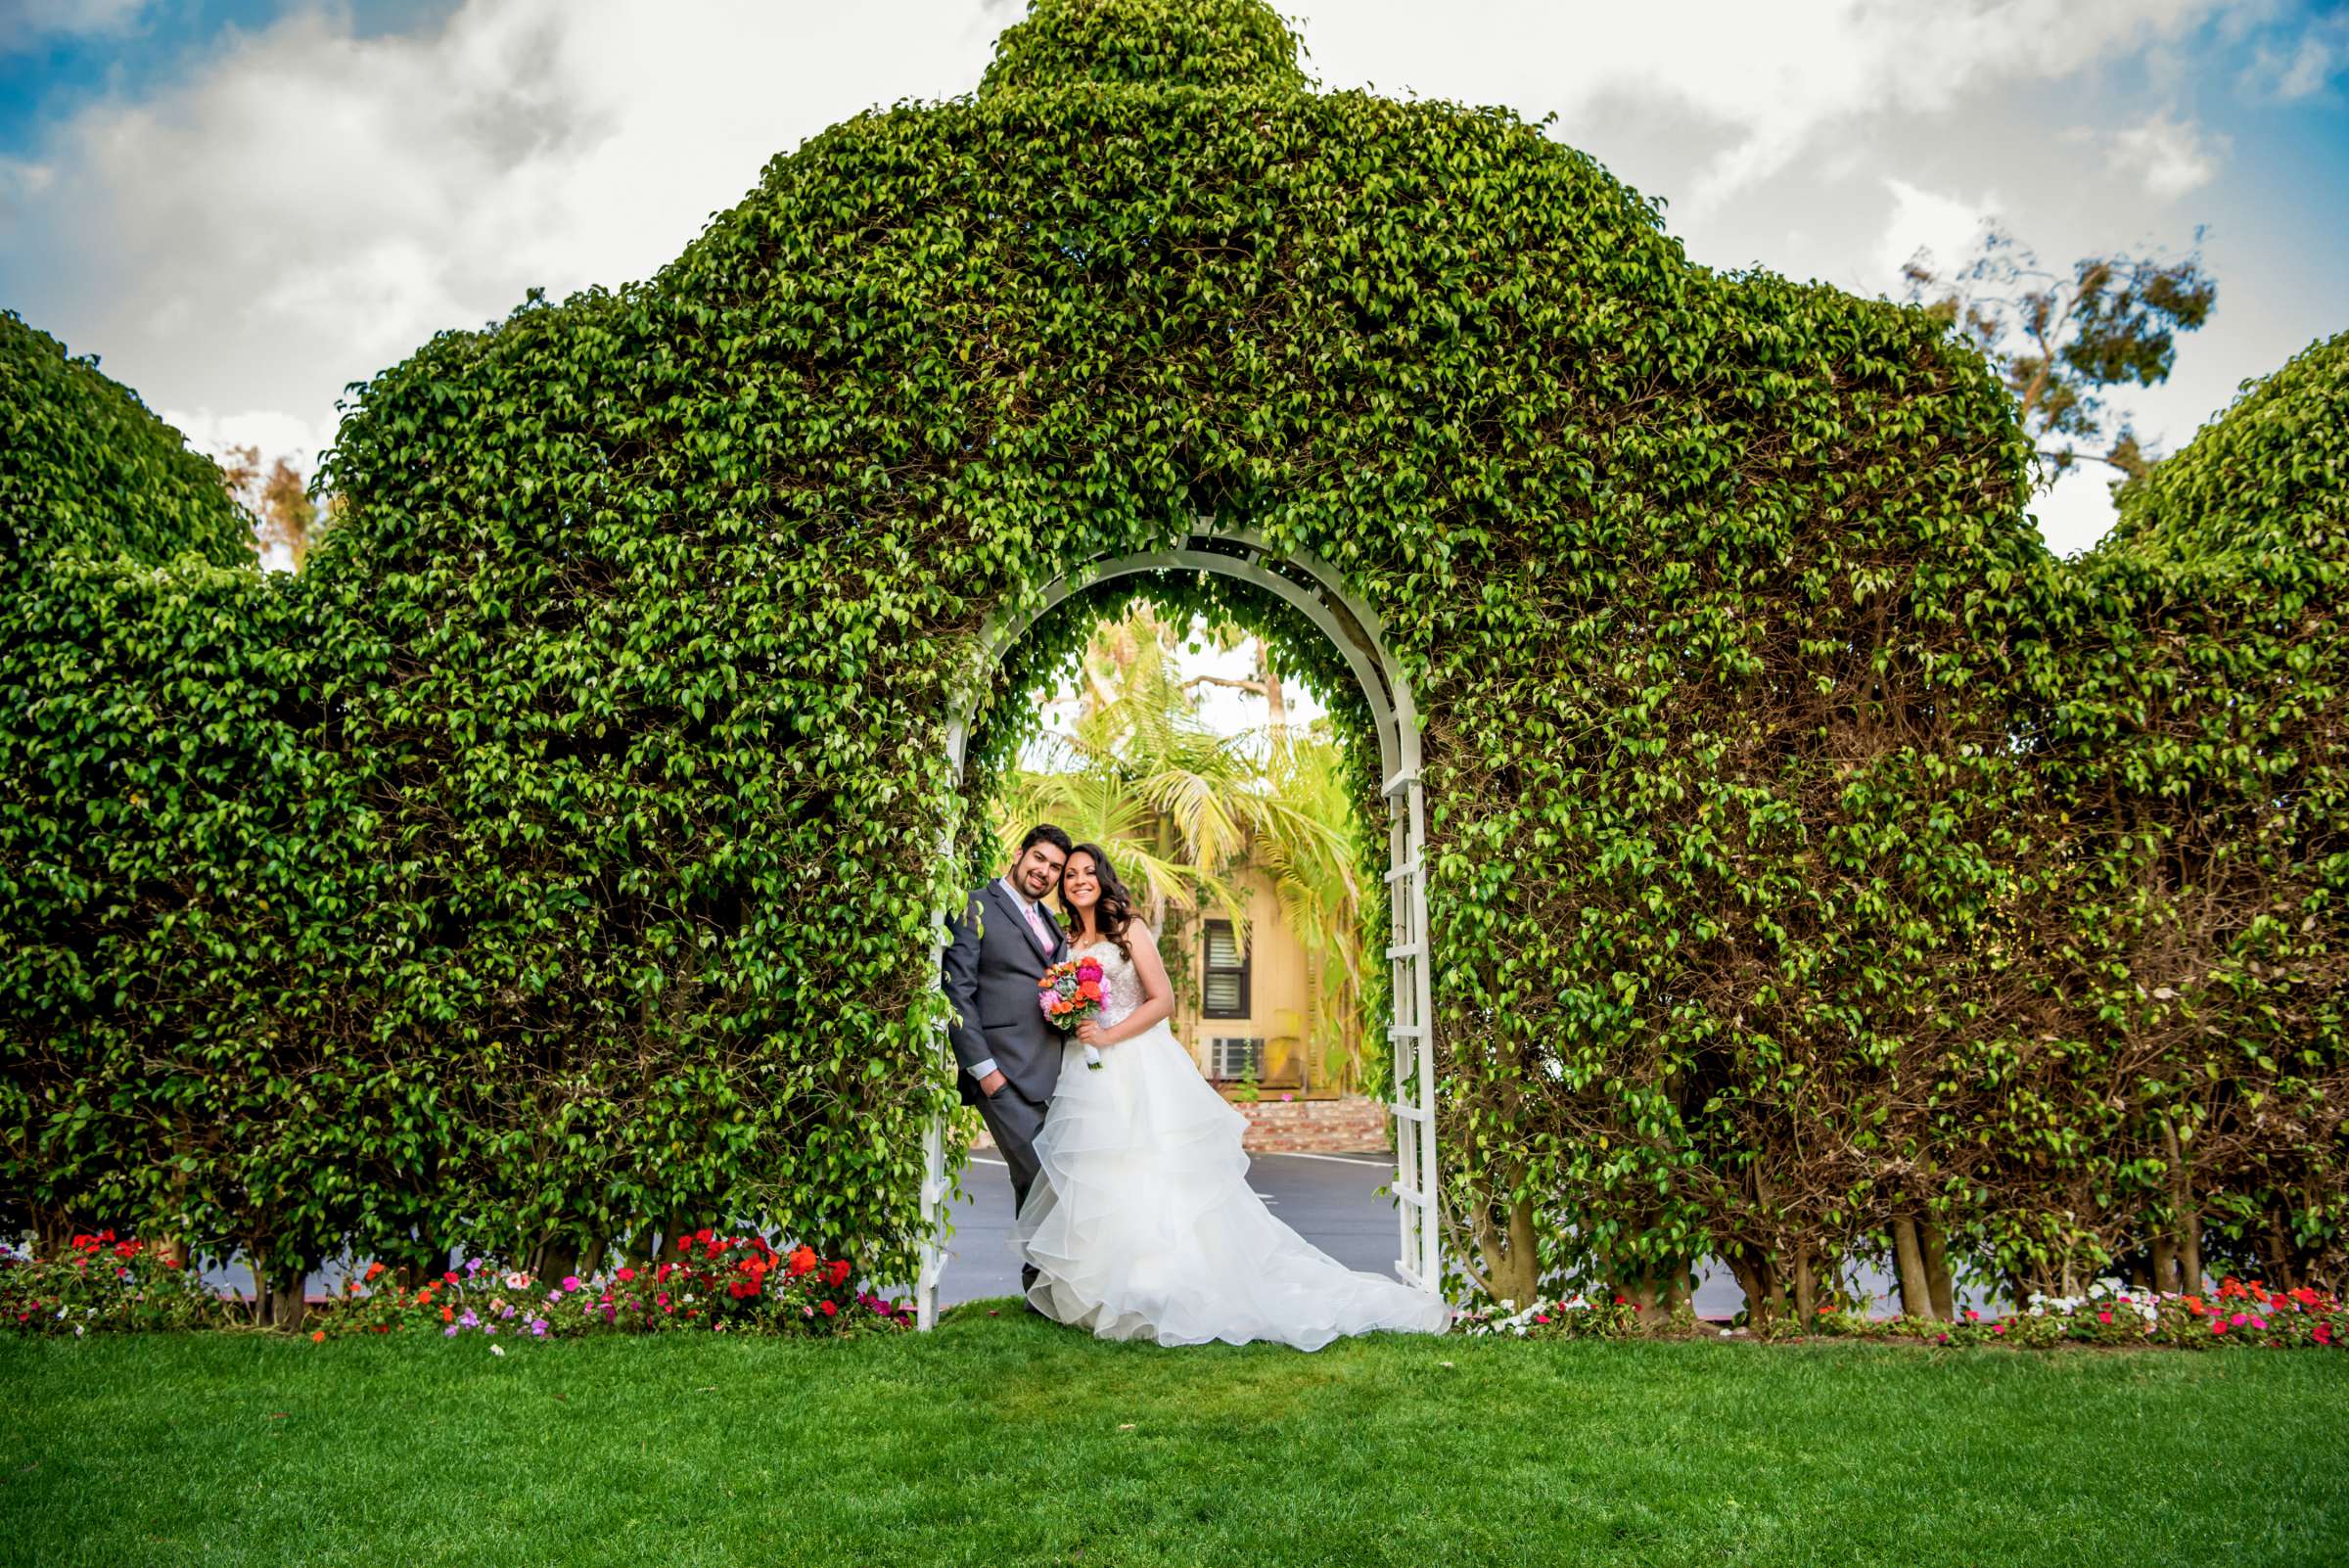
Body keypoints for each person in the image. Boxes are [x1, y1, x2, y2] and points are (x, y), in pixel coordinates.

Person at [1016, 842, 1452, 1349]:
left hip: (1134, 1062)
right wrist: (1072, 1017)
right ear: (1062, 886)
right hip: (1085, 1070)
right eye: (1070, 874)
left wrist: (1109, 1035)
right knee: (1100, 1176)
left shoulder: (1127, 929)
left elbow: (1164, 1001)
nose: (1078, 880)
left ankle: (1163, 1285)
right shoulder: (1067, 937)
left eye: (1089, 872)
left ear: (1104, 878)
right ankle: (1106, 1290)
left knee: (1152, 1170)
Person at [939, 823, 1072, 1297]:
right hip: (1001, 1075)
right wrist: (984, 1071)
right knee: (1046, 1179)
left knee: (1028, 1183)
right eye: (1039, 859)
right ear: (1019, 855)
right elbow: (957, 993)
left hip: (1050, 1073)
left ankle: (1042, 1293)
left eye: (1055, 867)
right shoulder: (976, 906)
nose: (1045, 872)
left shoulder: (1052, 923)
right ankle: (1056, 1286)